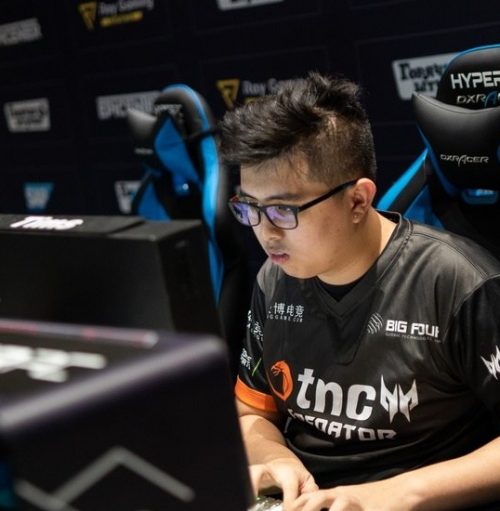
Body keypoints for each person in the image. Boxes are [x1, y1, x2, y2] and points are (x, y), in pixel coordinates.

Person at [217, 71, 500, 511]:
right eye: (249, 208)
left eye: (283, 210)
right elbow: (253, 410)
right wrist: (275, 460)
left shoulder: (459, 282)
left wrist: (395, 494)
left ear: (357, 200)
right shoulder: (274, 280)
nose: (265, 233)